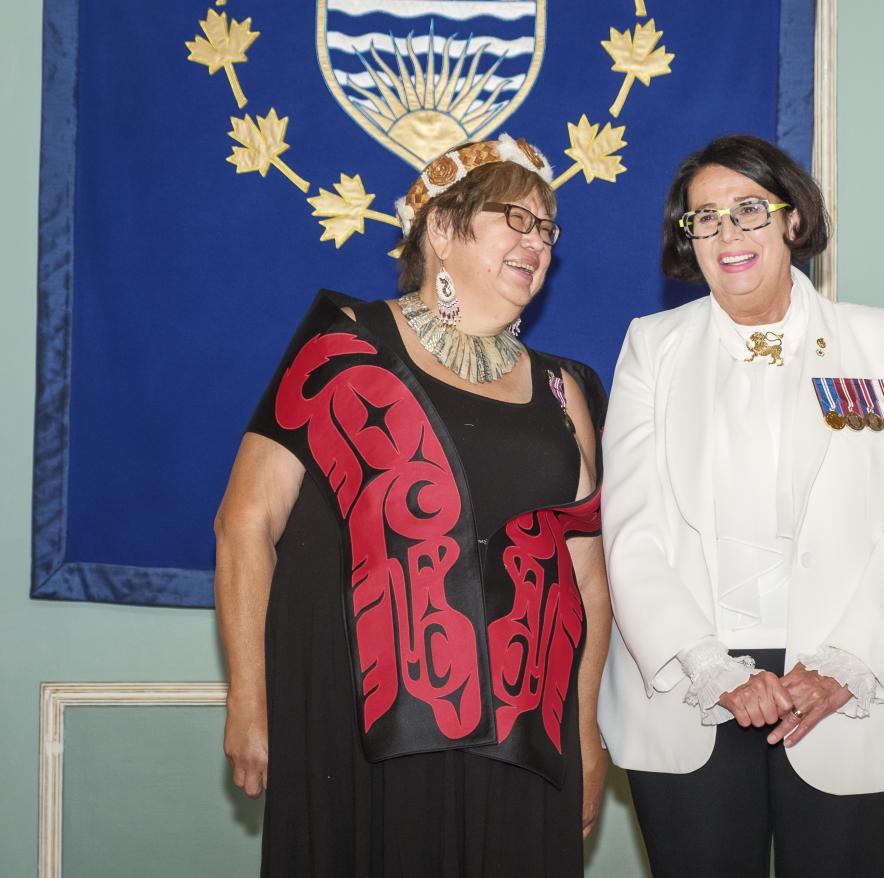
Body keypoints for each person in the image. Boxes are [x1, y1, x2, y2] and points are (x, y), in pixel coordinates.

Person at [213, 134, 611, 878]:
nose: (537, 242)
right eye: (514, 219)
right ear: (441, 229)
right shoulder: (345, 345)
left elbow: (587, 574)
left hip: (526, 732)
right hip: (356, 720)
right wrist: (248, 698)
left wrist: (586, 731)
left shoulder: (569, 388)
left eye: (547, 228)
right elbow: (245, 522)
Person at [598, 134, 884, 877]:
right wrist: (710, 670)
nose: (727, 234)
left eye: (750, 210)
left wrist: (844, 667)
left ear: (794, 221)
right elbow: (631, 531)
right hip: (689, 688)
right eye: (705, 219)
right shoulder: (650, 349)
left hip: (844, 690)